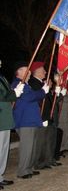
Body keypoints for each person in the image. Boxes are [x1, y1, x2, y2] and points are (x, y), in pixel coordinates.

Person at [11, 61, 49, 179]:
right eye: (26, 71)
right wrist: (43, 92)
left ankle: (29, 168)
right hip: (25, 120)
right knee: (27, 147)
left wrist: (41, 92)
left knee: (32, 146)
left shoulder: (26, 85)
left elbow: (33, 96)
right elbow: (29, 97)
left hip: (32, 120)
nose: (29, 73)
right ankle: (23, 171)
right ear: (19, 73)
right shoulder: (18, 83)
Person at [0, 59, 24, 189]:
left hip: (5, 118)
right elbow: (2, 94)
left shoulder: (2, 77)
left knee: (3, 149)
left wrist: (14, 93)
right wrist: (14, 93)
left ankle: (0, 176)